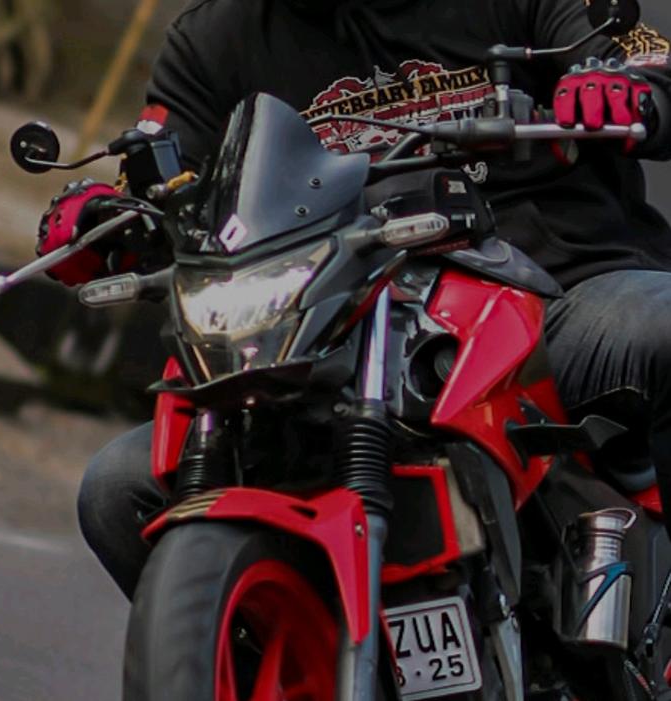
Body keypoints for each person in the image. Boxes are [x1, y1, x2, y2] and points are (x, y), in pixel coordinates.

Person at [41, 0, 671, 598]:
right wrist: (105, 221)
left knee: (661, 326)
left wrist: (629, 86)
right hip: (326, 339)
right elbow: (161, 179)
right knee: (119, 489)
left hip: (556, 299)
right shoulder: (214, 37)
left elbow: (646, 59)